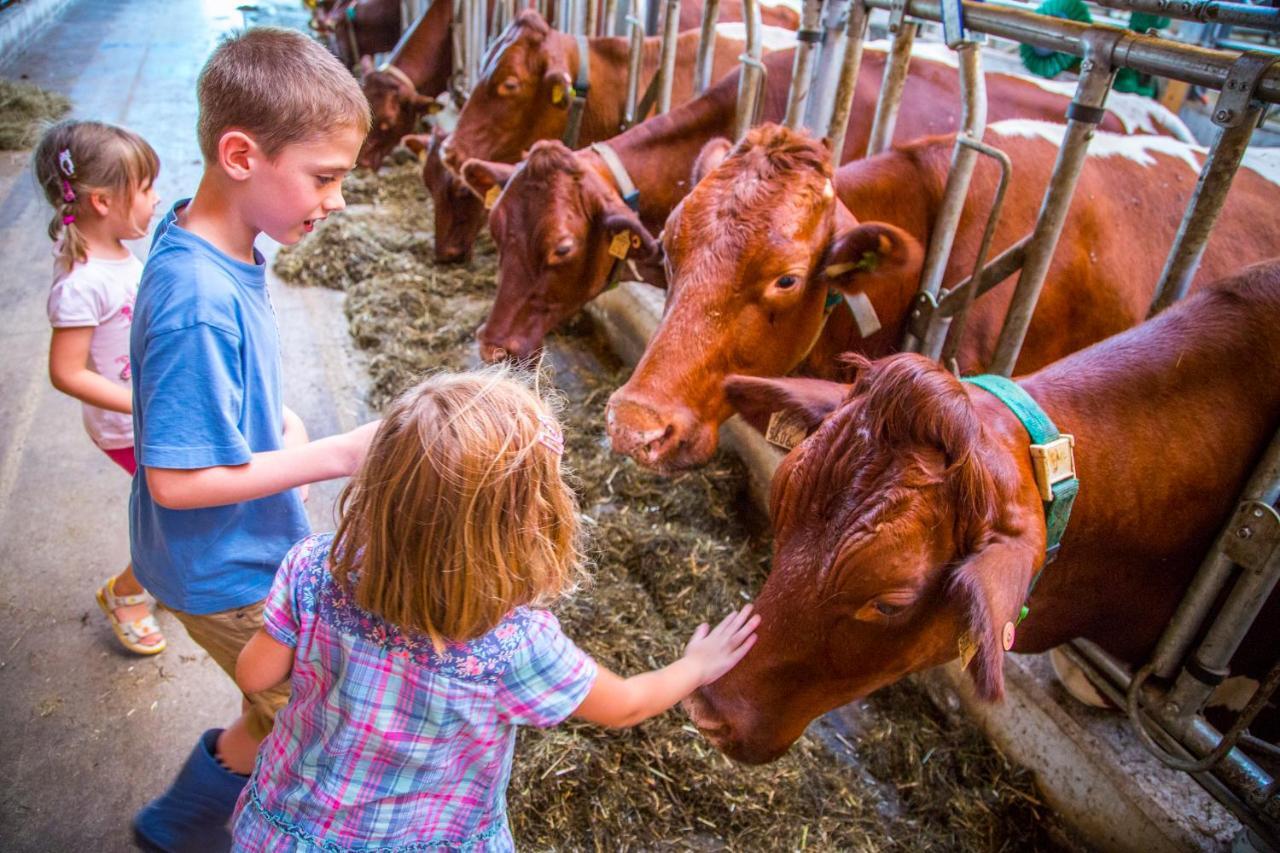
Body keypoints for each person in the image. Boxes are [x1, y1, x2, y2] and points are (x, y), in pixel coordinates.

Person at [230, 370, 760, 851]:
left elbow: (255, 674)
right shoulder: (515, 647)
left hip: (286, 825)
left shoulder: (317, 566)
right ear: (525, 523)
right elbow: (624, 705)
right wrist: (695, 667)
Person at [128, 26, 379, 853]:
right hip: (227, 573)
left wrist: (277, 433)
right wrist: (334, 453)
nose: (337, 200)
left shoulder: (221, 245)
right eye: (325, 177)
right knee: (311, 713)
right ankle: (219, 827)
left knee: (276, 704)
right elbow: (176, 478)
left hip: (232, 548)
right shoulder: (198, 296)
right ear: (242, 155)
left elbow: (216, 406)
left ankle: (182, 819)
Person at [34, 120, 167, 656]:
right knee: (177, 514)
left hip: (152, 412)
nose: (156, 199)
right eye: (146, 189)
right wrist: (138, 403)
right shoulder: (81, 283)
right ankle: (127, 593)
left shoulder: (118, 252)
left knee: (177, 510)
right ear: (101, 201)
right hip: (126, 425)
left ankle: (158, 576)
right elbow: (66, 372)